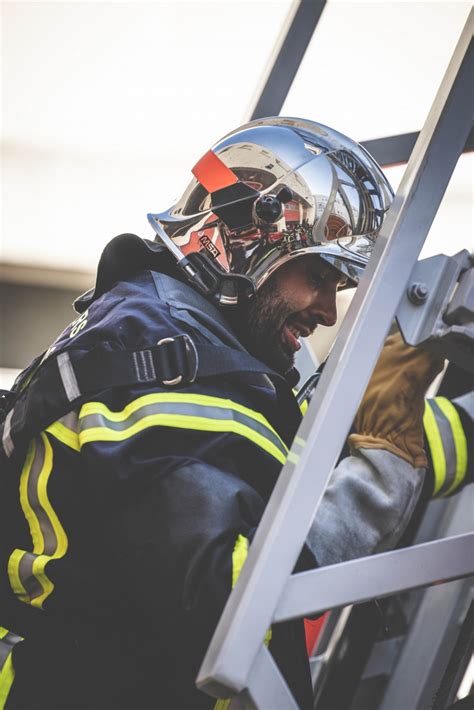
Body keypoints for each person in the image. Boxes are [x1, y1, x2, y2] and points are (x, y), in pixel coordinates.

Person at [0, 117, 470, 709]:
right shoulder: (164, 365)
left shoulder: (179, 355)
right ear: (252, 238)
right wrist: (382, 467)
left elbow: (285, 479)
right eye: (320, 276)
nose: (328, 311)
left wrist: (420, 435)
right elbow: (237, 600)